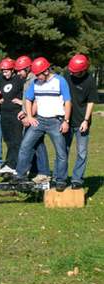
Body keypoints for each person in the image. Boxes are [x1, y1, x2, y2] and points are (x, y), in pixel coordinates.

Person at [12, 57, 71, 192]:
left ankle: (61, 180)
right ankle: (20, 175)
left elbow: (68, 102)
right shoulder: (36, 82)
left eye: (38, 74)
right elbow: (28, 99)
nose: (37, 77)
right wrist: (30, 116)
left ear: (46, 71)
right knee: (25, 146)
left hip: (56, 121)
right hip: (39, 120)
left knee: (61, 152)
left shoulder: (60, 81)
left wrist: (66, 121)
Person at [64, 54, 99, 189]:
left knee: (81, 152)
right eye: (71, 70)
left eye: (75, 71)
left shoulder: (89, 80)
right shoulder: (67, 76)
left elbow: (91, 102)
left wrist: (85, 120)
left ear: (83, 70)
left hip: (81, 123)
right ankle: (59, 178)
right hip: (66, 121)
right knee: (63, 151)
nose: (72, 73)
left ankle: (77, 179)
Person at [14, 55, 50, 183]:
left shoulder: (34, 80)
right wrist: (23, 111)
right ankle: (38, 171)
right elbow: (27, 99)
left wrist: (29, 116)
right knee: (36, 144)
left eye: (20, 70)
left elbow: (36, 101)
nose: (18, 73)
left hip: (35, 117)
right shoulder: (27, 79)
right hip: (30, 115)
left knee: (32, 144)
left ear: (28, 68)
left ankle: (33, 172)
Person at [0, 57, 24, 174]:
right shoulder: (1, 80)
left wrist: (22, 102)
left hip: (16, 114)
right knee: (8, 140)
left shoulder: (19, 80)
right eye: (3, 71)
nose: (4, 73)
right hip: (4, 114)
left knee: (17, 140)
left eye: (6, 71)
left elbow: (28, 94)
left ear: (12, 70)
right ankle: (10, 162)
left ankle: (15, 164)